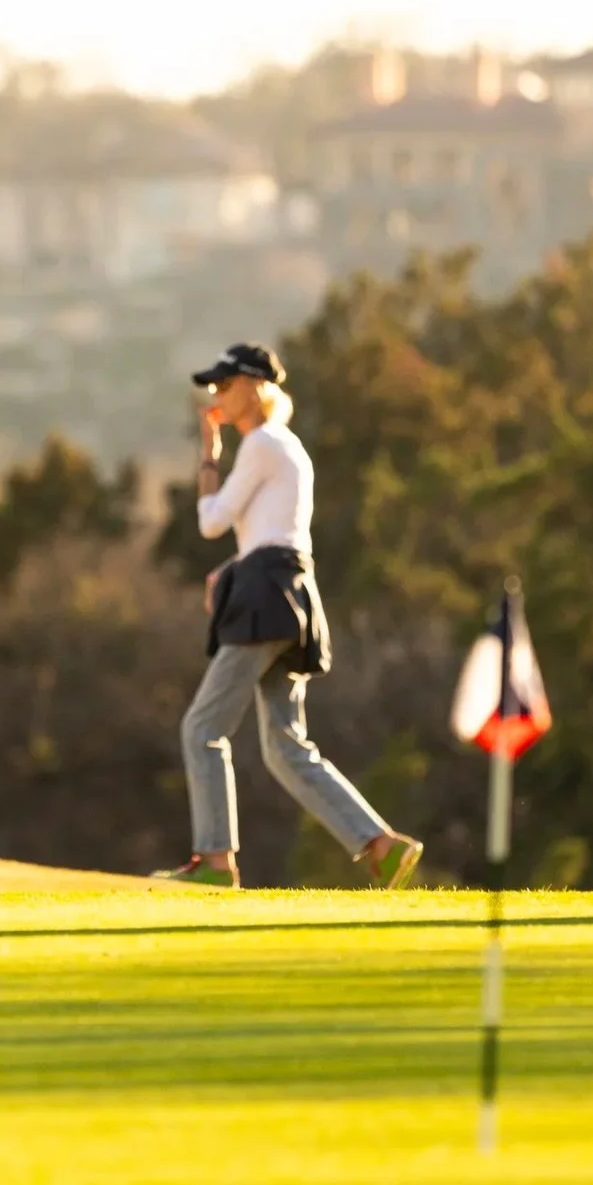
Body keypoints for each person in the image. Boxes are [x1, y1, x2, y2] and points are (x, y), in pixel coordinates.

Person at [153, 343, 423, 890]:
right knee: (285, 746)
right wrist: (231, 568)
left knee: (202, 728)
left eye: (224, 385)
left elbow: (210, 520)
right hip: (288, 593)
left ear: (255, 386)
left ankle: (213, 860)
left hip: (266, 598)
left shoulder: (264, 443)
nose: (216, 396)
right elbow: (276, 534)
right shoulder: (284, 448)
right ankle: (380, 845)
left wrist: (209, 452)